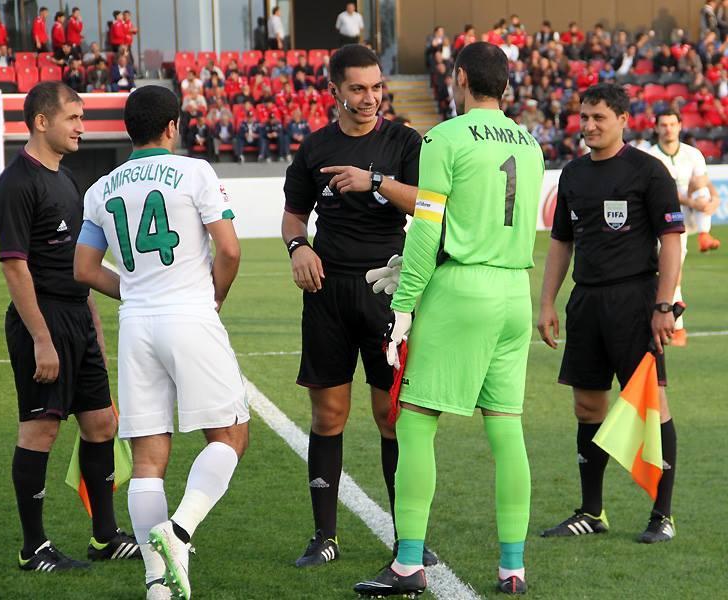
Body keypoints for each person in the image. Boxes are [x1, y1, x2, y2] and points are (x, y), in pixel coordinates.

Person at [353, 41, 543, 597]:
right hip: (515, 290)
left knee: (414, 422)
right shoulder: (531, 143)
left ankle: (408, 563)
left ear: (459, 78)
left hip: (462, 290)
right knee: (506, 429)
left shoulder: (445, 138)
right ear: (504, 84)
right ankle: (513, 568)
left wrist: (404, 304)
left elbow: (428, 226)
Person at [73, 85, 248, 600]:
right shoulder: (195, 172)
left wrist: (134, 291)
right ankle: (179, 532)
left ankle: (157, 584)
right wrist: (214, 296)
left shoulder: (100, 189)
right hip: (189, 314)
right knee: (231, 435)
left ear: (128, 129)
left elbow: (84, 268)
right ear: (173, 126)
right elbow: (229, 251)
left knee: (148, 459)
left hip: (137, 326)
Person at [281, 44, 435, 569]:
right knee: (329, 415)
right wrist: (298, 247)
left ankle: (407, 538)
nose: (370, 98)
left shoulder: (404, 142)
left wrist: (377, 181)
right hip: (327, 294)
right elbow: (293, 215)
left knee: (392, 416)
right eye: (358, 89)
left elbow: (430, 205)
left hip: (388, 290)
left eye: (376, 87)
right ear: (334, 91)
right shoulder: (315, 147)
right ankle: (324, 536)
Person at [0, 81, 139, 573]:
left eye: (82, 118)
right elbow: (15, 267)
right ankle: (33, 548)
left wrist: (95, 321)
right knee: (40, 431)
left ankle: (105, 536)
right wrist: (41, 339)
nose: (82, 127)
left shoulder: (70, 180)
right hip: (43, 320)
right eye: (73, 118)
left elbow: (79, 265)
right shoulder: (17, 182)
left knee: (101, 424)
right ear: (41, 122)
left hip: (78, 318)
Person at [537, 83, 683, 545]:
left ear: (623, 119)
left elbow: (671, 242)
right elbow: (561, 242)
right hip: (587, 302)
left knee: (652, 405)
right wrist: (547, 302)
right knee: (587, 406)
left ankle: (662, 515)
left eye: (599, 117)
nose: (589, 125)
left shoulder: (649, 171)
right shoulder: (573, 175)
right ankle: (591, 511)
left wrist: (664, 305)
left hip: (635, 301)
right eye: (584, 117)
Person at [647, 110, 720, 347]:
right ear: (656, 128)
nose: (668, 129)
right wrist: (693, 201)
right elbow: (659, 193)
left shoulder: (692, 154)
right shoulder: (650, 156)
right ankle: (676, 326)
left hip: (685, 218)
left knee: (702, 191)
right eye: (663, 124)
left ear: (680, 126)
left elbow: (703, 182)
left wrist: (715, 199)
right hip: (661, 220)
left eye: (672, 124)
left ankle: (704, 234)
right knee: (669, 273)